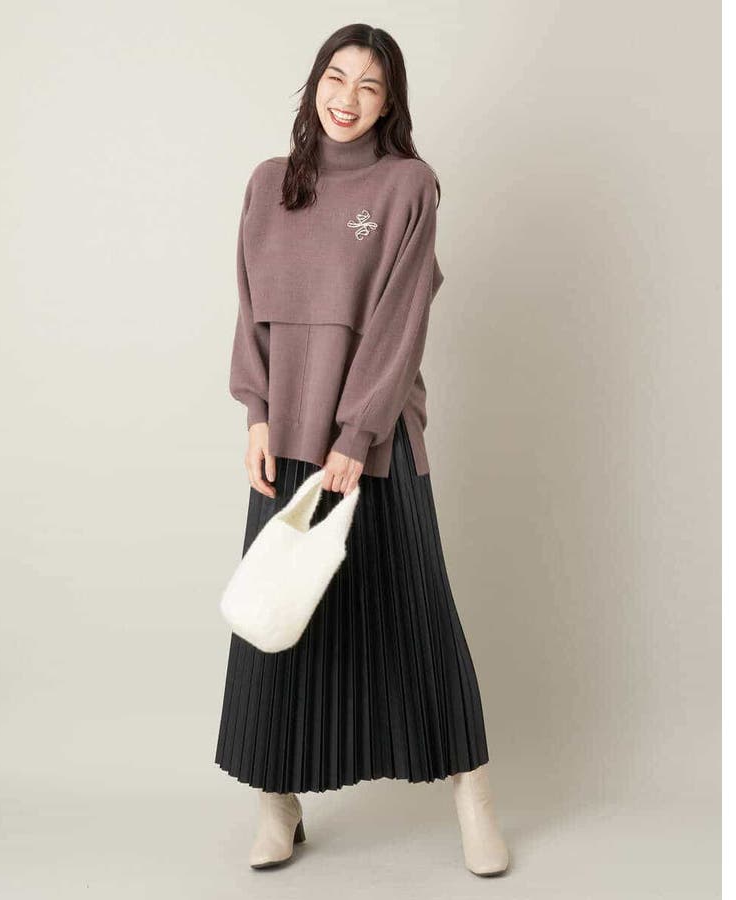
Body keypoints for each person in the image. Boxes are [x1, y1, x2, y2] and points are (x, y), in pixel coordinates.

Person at [214, 24, 510, 877]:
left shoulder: (408, 185)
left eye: (369, 85)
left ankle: (473, 797)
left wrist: (356, 431)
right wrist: (256, 414)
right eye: (335, 77)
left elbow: (401, 321)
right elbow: (250, 306)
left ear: (390, 102)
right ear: (314, 83)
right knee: (277, 621)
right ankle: (276, 804)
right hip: (286, 435)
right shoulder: (269, 183)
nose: (347, 97)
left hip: (373, 443)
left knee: (418, 618)